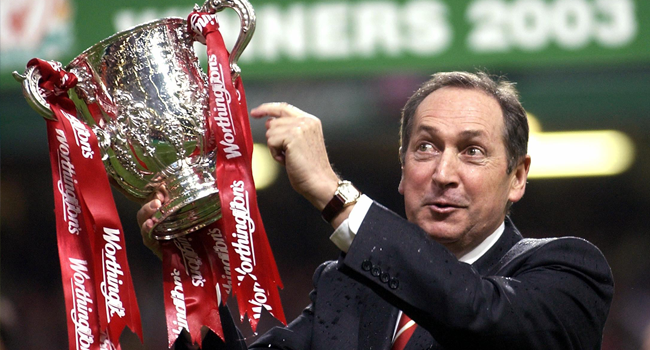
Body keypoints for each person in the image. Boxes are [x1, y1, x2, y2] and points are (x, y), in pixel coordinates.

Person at [137, 71, 614, 349]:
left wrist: (333, 193)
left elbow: (477, 314)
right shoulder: (348, 286)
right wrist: (193, 270)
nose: (443, 173)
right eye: (425, 148)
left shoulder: (568, 271)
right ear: (403, 170)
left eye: (472, 151)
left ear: (518, 176)